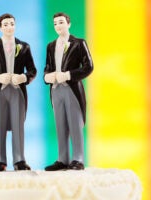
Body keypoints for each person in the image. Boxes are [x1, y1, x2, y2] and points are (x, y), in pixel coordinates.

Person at [0, 13, 36, 171]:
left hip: (17, 91)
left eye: (12, 23)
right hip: (0, 92)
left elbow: (32, 70)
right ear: (0, 27)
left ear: (15, 25)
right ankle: (0, 160)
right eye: (5, 24)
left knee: (18, 125)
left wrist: (24, 77)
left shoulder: (24, 47)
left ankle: (19, 160)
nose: (9, 27)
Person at [44, 12, 94, 171]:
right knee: (60, 124)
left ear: (68, 23)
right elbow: (48, 67)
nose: (58, 26)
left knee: (75, 123)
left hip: (71, 89)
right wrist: (47, 77)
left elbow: (88, 67)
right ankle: (62, 158)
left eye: (61, 22)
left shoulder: (79, 43)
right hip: (56, 90)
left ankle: (78, 158)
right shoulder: (51, 46)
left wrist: (68, 75)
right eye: (55, 23)